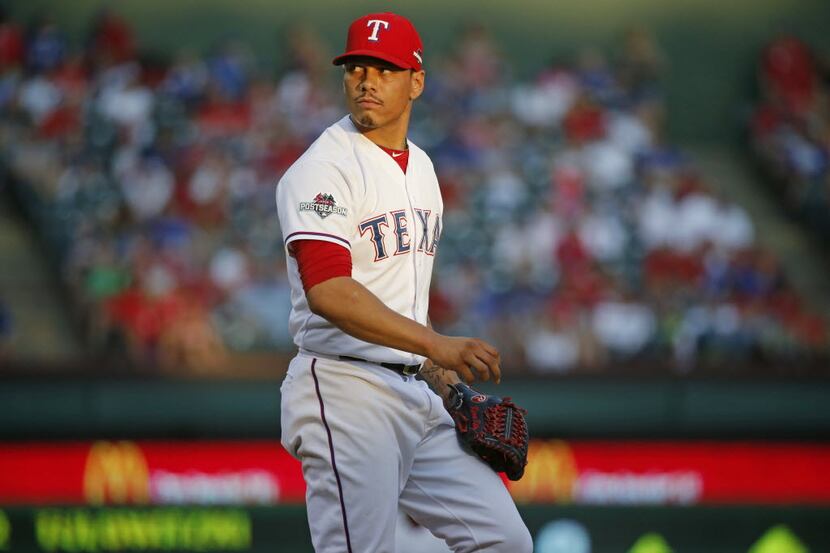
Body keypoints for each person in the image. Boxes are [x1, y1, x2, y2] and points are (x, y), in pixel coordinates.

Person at [275, 12, 532, 553]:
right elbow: (329, 292)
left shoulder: (423, 169)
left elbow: (404, 302)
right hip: (346, 391)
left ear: (416, 81)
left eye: (385, 69)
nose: (366, 80)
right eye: (357, 68)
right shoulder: (321, 168)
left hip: (415, 390)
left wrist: (446, 381)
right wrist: (436, 345)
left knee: (505, 541)